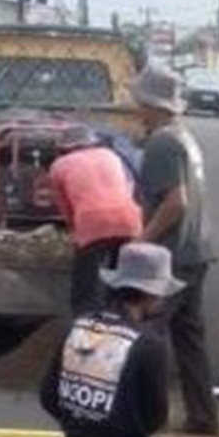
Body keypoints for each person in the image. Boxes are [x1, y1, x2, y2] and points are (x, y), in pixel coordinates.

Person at [40, 242, 219, 437]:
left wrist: (84, 423)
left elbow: (48, 396)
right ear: (152, 294)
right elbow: (156, 417)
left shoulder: (75, 327)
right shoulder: (149, 344)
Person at [132, 65, 219, 436]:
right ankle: (203, 418)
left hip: (171, 259)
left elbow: (175, 203)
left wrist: (141, 240)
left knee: (146, 337)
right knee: (189, 339)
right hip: (196, 251)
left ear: (149, 102)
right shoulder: (184, 137)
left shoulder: (162, 143)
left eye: (138, 99)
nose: (134, 105)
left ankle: (147, 419)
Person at [43, 126, 143, 314]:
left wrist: (76, 233)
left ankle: (85, 328)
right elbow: (128, 187)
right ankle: (122, 323)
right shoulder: (111, 155)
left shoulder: (59, 166)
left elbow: (66, 208)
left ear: (65, 148)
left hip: (92, 224)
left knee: (85, 287)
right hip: (131, 222)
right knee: (122, 281)